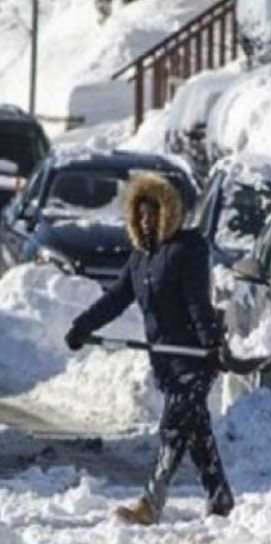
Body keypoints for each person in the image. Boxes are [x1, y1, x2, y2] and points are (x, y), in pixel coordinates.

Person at [64, 173, 234, 525]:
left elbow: (197, 304)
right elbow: (115, 299)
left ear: (168, 212)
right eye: (141, 215)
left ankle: (150, 503)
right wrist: (82, 326)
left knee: (173, 429)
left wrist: (212, 345)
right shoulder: (140, 259)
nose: (147, 221)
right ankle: (220, 497)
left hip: (194, 358)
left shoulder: (187, 249)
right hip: (167, 362)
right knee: (197, 432)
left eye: (153, 213)